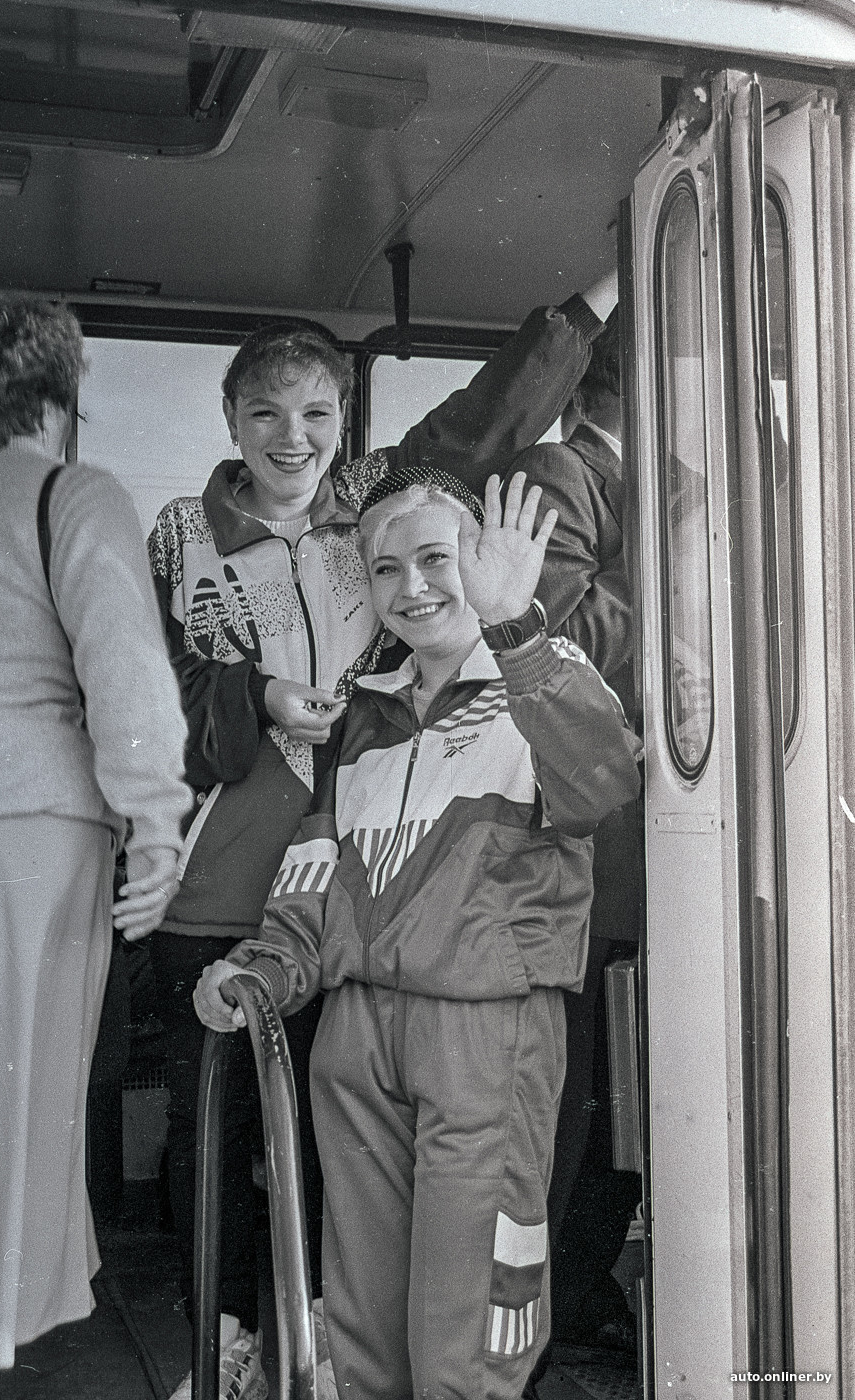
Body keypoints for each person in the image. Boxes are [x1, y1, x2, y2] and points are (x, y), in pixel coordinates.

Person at [146, 284, 616, 1399]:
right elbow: (313, 882)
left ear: (485, 561)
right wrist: (265, 967)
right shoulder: (363, 721)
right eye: (388, 570)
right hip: (356, 1039)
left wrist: (515, 624)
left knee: (467, 1335)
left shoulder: (539, 679)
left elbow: (601, 781)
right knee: (356, 1328)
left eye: (438, 562)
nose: (411, 589)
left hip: (482, 1038)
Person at [0, 298, 190, 1400]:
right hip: (30, 835)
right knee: (13, 1099)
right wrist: (157, 823)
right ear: (51, 405)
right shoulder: (71, 495)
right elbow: (124, 669)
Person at [506, 309, 644, 1365]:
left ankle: (578, 1289)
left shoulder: (635, 485)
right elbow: (562, 637)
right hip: (595, 850)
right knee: (574, 1104)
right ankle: (536, 1324)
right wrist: (670, 569)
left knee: (609, 1097)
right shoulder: (563, 473)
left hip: (638, 850)